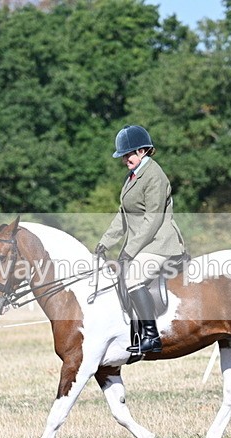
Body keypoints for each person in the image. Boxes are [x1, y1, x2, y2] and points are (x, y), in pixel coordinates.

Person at [95, 125, 186, 363]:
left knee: (133, 276)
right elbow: (123, 215)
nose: (126, 159)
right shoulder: (132, 177)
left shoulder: (155, 176)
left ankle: (151, 336)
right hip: (145, 244)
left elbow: (152, 219)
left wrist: (128, 250)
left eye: (129, 154)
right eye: (124, 155)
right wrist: (105, 241)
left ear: (144, 151)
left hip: (161, 244)